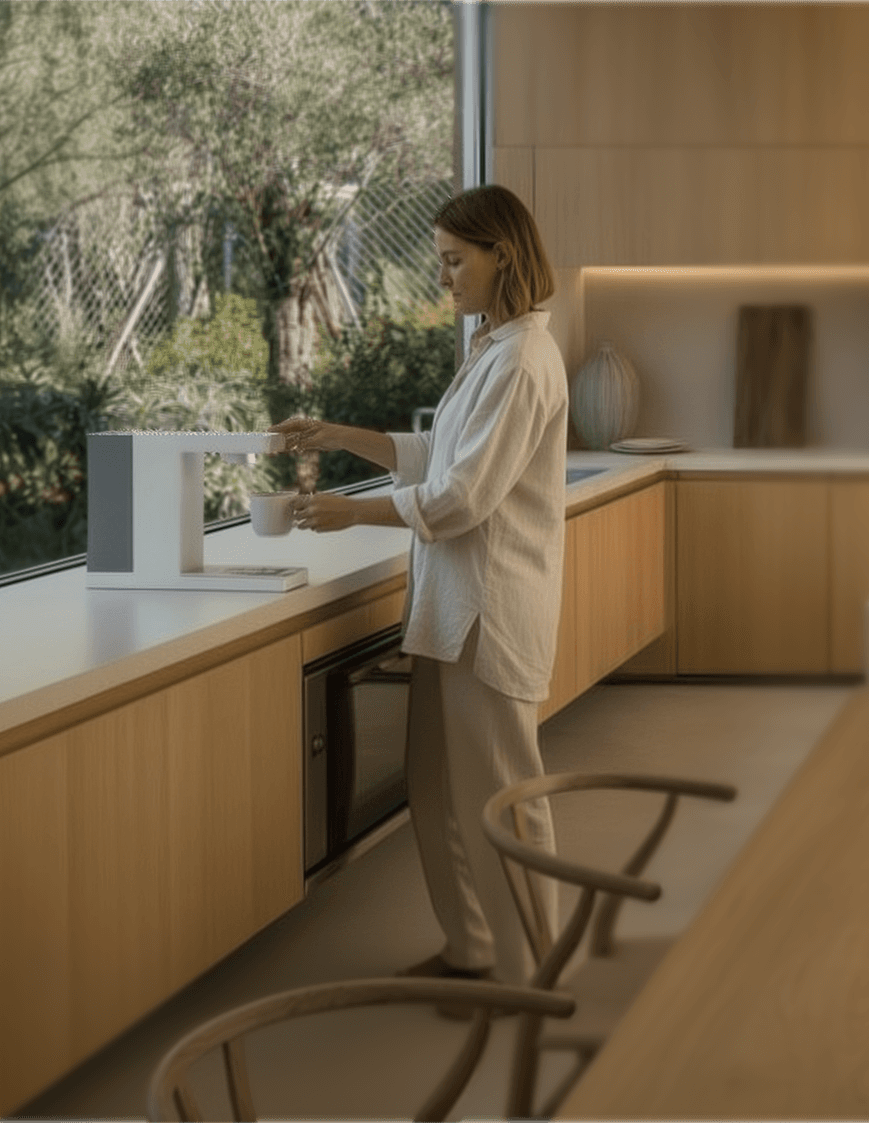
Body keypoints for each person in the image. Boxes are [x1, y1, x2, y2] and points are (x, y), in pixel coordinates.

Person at [272, 185, 565, 1005]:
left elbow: (461, 497)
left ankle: (532, 970)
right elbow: (436, 451)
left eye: (451, 259)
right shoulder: (492, 346)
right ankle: (474, 948)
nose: (442, 276)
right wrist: (335, 435)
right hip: (452, 613)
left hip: (490, 613)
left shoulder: (521, 361)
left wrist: (346, 514)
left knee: (502, 798)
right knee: (437, 791)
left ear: (500, 254)